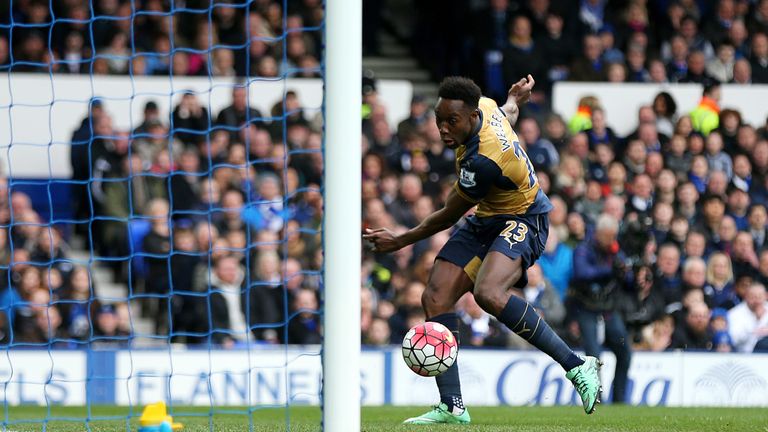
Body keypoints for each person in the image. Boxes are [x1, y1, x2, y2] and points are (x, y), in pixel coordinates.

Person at [364, 75, 601, 425]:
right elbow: (505, 113)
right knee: (436, 296)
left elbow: (448, 215)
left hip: (525, 217)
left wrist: (400, 239)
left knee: (488, 292)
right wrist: (514, 99)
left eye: (451, 121)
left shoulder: (483, 161)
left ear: (471, 117)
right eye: (438, 119)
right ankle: (452, 405)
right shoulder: (487, 107)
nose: (443, 129)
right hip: (489, 216)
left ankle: (578, 366)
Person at [571, 214, 634, 404]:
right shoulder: (583, 249)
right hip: (587, 309)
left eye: (614, 236)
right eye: (609, 236)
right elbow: (582, 273)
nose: (612, 240)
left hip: (608, 309)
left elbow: (628, 280)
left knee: (625, 352)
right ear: (599, 234)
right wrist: (610, 271)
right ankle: (596, 399)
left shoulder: (615, 251)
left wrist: (626, 273)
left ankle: (620, 399)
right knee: (593, 356)